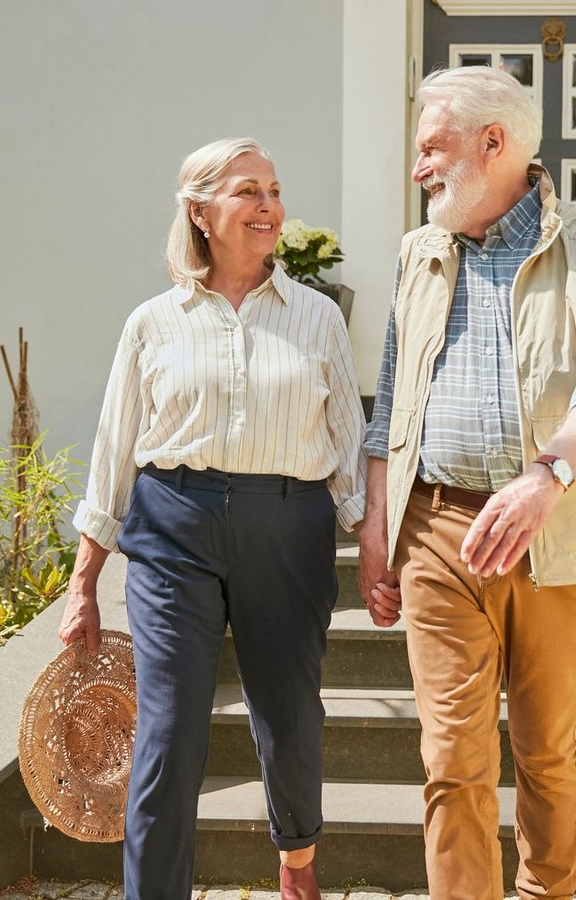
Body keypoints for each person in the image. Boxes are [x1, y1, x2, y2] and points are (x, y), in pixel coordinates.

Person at [357, 67, 576, 900]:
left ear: (494, 144)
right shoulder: (421, 253)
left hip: (552, 532)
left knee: (546, 746)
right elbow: (392, 398)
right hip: (437, 530)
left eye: (432, 147)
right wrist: (378, 526)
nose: (418, 168)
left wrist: (546, 476)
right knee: (452, 757)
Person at [58, 137, 365, 900]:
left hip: (287, 527)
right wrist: (82, 581)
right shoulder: (152, 323)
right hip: (173, 527)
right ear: (200, 212)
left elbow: (348, 445)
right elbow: (114, 449)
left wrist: (378, 545)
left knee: (289, 719)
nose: (268, 207)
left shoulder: (319, 318)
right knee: (168, 732)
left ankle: (297, 858)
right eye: (247, 192)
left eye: (273, 191)